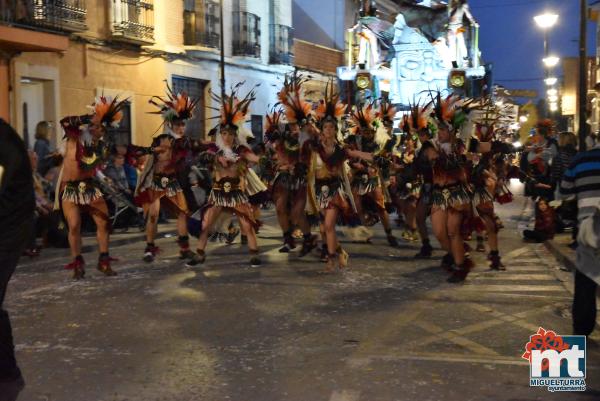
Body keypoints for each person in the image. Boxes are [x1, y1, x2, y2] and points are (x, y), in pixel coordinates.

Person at [303, 81, 380, 272]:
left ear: (335, 130)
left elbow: (356, 155)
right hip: (319, 192)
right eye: (325, 128)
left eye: (331, 128)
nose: (328, 131)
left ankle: (330, 259)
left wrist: (374, 157)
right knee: (324, 229)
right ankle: (340, 252)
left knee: (328, 225)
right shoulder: (315, 148)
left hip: (335, 191)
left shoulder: (340, 150)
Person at [186, 85, 267, 268]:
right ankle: (199, 254)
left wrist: (264, 159)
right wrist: (217, 157)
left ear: (235, 134)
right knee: (206, 224)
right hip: (218, 193)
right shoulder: (214, 150)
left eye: (230, 134)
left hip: (237, 192)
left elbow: (255, 158)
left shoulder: (240, 150)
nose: (227, 137)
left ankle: (254, 254)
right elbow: (202, 155)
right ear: (220, 134)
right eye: (224, 133)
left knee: (246, 225)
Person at [57, 96, 127, 279]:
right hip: (70, 187)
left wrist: (105, 178)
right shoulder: (75, 135)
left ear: (103, 129)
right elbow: (64, 122)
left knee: (103, 222)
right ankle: (78, 263)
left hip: (89, 186)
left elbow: (92, 167)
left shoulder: (101, 145)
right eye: (93, 125)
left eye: (97, 127)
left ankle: (103, 261)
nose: (93, 128)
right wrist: (88, 118)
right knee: (73, 225)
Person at [135, 84, 200, 262]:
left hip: (172, 183)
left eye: (183, 125)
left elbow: (189, 161)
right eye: (178, 124)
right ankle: (149, 248)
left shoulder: (185, 142)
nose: (181, 128)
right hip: (156, 182)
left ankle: (184, 248)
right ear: (170, 123)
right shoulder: (161, 139)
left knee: (182, 213)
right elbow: (152, 155)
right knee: (153, 214)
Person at [0, 119, 35, 401]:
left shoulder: (2, 138)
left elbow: (13, 185)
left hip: (6, 227)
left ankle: (7, 378)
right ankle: (7, 376)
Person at [268, 72, 317, 255]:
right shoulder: (280, 129)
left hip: (302, 178)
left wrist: (309, 131)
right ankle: (288, 239)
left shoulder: (307, 132)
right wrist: (280, 164)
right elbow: (275, 150)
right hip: (284, 176)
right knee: (280, 207)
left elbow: (315, 150)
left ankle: (308, 238)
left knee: (297, 213)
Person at [559, 141, 600, 335]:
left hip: (589, 227)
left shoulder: (581, 160)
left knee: (585, 281)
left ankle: (582, 328)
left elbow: (565, 192)